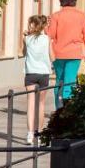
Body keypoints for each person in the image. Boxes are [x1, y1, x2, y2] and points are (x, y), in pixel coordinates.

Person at [47, 0, 85, 105]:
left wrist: (45, 28)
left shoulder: (55, 16)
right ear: (74, 2)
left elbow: (50, 35)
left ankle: (59, 107)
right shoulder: (81, 16)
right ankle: (68, 107)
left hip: (58, 53)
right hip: (74, 53)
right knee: (70, 80)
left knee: (59, 80)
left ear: (61, 1)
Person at [23, 15, 53, 144]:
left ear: (33, 25)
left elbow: (23, 53)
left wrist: (26, 37)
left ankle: (30, 134)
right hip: (44, 74)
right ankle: (39, 133)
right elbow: (53, 57)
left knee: (30, 104)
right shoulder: (47, 39)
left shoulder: (26, 39)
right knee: (40, 105)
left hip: (30, 73)